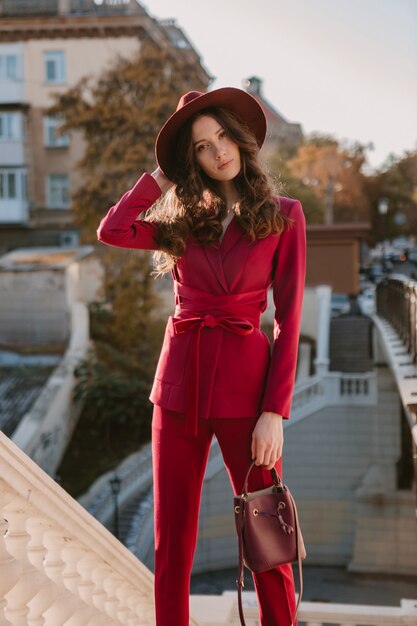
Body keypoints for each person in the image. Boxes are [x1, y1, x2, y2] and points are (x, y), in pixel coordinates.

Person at [97, 87, 306, 626]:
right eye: (201, 147)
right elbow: (113, 229)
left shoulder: (285, 216)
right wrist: (164, 177)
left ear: (240, 140)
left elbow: (288, 321)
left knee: (267, 538)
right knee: (173, 548)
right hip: (177, 391)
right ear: (191, 160)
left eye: (222, 138)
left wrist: (274, 412)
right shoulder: (182, 219)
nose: (217, 153)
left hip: (247, 392)